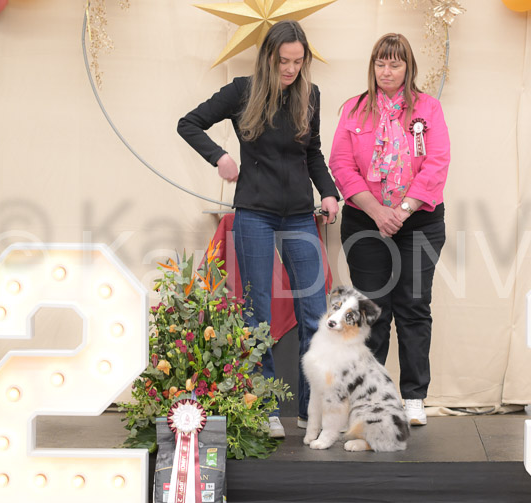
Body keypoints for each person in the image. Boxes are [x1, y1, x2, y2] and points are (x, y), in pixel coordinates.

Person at [177, 20, 340, 437]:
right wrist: (219, 157)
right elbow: (188, 123)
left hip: (300, 214)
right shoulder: (241, 91)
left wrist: (328, 192)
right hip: (254, 213)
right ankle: (263, 407)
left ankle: (309, 410)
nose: (290, 69)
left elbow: (314, 153)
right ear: (268, 57)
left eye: (298, 62)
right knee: (257, 314)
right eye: (284, 61)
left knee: (315, 314)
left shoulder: (310, 95)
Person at [329, 33, 450, 426]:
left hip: (420, 222)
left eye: (395, 64)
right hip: (366, 221)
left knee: (414, 307)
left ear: (408, 67)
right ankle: (371, 399)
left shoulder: (428, 109)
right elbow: (341, 164)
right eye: (380, 63)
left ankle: (414, 397)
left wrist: (402, 210)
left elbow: (436, 163)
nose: (387, 71)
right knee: (372, 311)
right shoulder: (354, 109)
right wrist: (377, 211)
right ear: (373, 66)